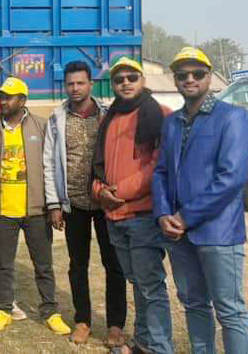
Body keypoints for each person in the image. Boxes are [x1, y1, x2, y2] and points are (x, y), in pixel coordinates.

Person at [153, 47, 248, 354]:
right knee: (194, 305)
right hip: (177, 235)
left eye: (197, 73)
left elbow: (232, 178)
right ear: (175, 80)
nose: (190, 79)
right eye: (182, 74)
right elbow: (160, 173)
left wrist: (184, 218)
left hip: (218, 233)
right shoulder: (172, 123)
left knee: (230, 310)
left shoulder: (233, 118)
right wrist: (162, 215)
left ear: (210, 77)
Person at [92, 56, 174, 354]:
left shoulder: (159, 114)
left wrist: (120, 192)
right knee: (138, 284)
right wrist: (99, 190)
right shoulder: (109, 118)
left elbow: (158, 164)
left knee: (150, 286)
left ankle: (160, 347)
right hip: (114, 214)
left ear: (142, 80)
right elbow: (98, 165)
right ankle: (144, 343)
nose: (125, 83)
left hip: (142, 215)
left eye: (131, 77)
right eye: (119, 79)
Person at [43, 60, 127, 347]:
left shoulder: (108, 115)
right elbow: (48, 163)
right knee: (77, 265)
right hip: (74, 204)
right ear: (64, 86)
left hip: (106, 204)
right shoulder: (57, 118)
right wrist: (54, 204)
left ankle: (115, 325)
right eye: (70, 84)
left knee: (113, 264)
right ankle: (83, 320)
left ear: (91, 84)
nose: (75, 88)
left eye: (80, 83)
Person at [0, 77, 71, 335]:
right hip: (3, 211)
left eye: (9, 97)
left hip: (36, 211)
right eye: (2, 97)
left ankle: (50, 311)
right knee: (3, 264)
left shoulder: (41, 126)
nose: (3, 101)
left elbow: (53, 167)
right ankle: (3, 309)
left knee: (43, 264)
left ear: (23, 100)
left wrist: (54, 204)